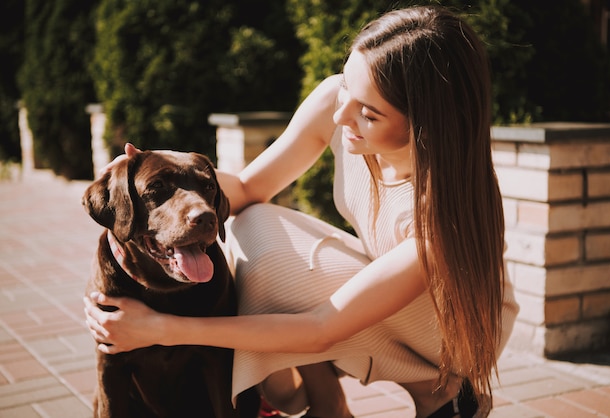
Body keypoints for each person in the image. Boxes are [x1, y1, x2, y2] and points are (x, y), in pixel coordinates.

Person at [84, 5, 519, 418]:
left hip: (453, 326)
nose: (342, 112)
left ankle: (444, 394)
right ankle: (328, 403)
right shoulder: (340, 103)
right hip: (386, 284)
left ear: (425, 124)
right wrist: (160, 177)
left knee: (279, 270)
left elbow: (322, 328)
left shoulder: (443, 212)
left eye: (368, 113)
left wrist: (159, 328)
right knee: (257, 225)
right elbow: (251, 188)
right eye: (347, 84)